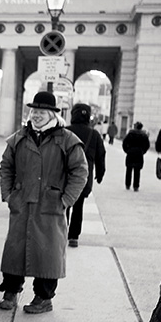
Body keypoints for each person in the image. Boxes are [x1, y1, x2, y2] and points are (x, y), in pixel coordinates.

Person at [0, 91, 88, 313]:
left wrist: (66, 199)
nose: (36, 116)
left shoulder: (67, 140)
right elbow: (6, 166)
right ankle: (11, 291)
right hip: (22, 203)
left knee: (48, 253)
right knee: (15, 249)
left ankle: (43, 297)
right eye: (34, 111)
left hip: (51, 205)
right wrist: (8, 195)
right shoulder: (19, 137)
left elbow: (80, 171)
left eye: (42, 112)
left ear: (52, 114)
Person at [65, 103, 105, 247]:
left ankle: (61, 232)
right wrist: (100, 173)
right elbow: (101, 155)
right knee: (79, 205)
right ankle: (74, 236)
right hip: (84, 176)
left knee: (64, 204)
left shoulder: (65, 131)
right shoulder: (94, 134)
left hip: (65, 175)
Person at [121, 121, 150, 191]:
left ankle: (127, 184)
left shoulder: (130, 134)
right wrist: (143, 151)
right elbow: (147, 145)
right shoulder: (144, 135)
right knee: (137, 170)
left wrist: (127, 150)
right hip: (139, 153)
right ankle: (136, 186)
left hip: (130, 153)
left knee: (129, 169)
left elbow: (124, 143)